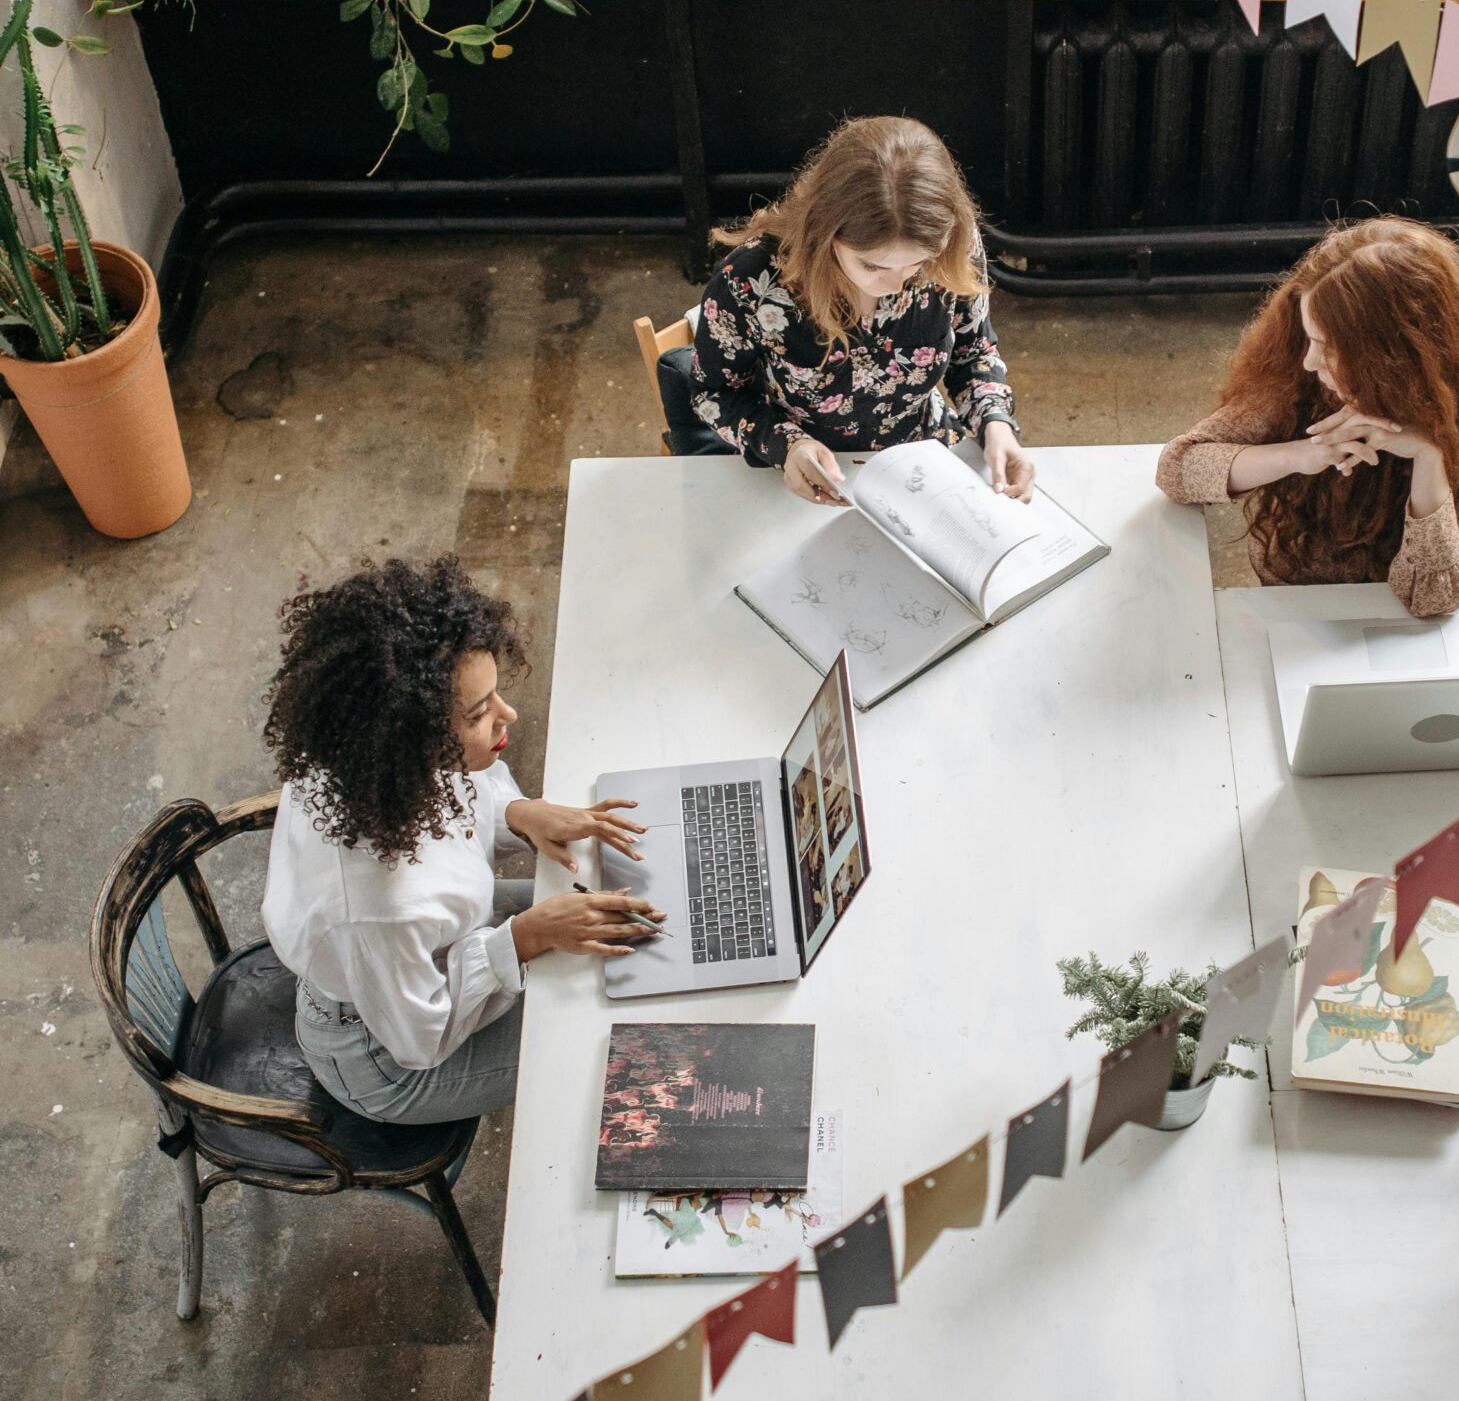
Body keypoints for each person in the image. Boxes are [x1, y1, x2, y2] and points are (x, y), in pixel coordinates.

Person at [261, 555, 661, 1125]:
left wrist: (518, 814)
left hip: (427, 954)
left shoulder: (374, 764)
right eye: (479, 714)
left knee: (634, 922)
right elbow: (421, 1038)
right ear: (411, 740)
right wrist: (525, 937)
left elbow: (459, 799)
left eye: (495, 696)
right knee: (614, 1032)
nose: (509, 716)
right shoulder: (379, 904)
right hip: (389, 1057)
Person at [1156, 219, 1459, 619]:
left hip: (1453, 609)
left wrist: (1429, 456)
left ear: (1394, 357)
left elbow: (1433, 594)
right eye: (1310, 338)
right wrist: (1301, 454)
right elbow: (1179, 470)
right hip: (1312, 593)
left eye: (1328, 347)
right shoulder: (1298, 369)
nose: (1311, 361)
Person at [690, 114, 1034, 505]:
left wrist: (996, 423)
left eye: (919, 263)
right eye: (872, 265)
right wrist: (786, 444)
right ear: (824, 234)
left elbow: (973, 353)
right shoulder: (750, 279)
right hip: (811, 475)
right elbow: (712, 393)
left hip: (929, 462)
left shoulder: (956, 242)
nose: (896, 285)